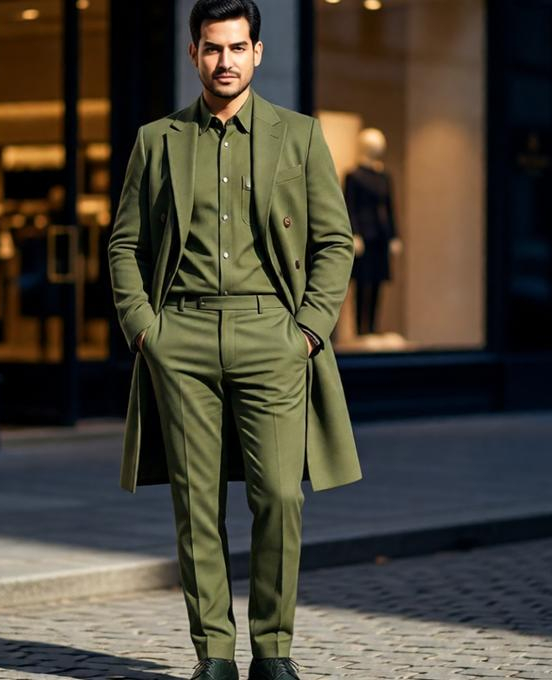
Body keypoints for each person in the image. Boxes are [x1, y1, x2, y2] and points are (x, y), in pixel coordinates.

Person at [107, 2, 361, 678]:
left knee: (280, 495)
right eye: (213, 48)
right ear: (194, 54)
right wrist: (144, 331)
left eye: (238, 47)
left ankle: (272, 651)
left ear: (259, 52)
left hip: (271, 334)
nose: (226, 61)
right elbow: (124, 244)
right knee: (196, 505)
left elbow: (335, 241)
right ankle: (214, 654)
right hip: (180, 337)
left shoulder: (299, 136)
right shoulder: (156, 140)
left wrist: (307, 330)